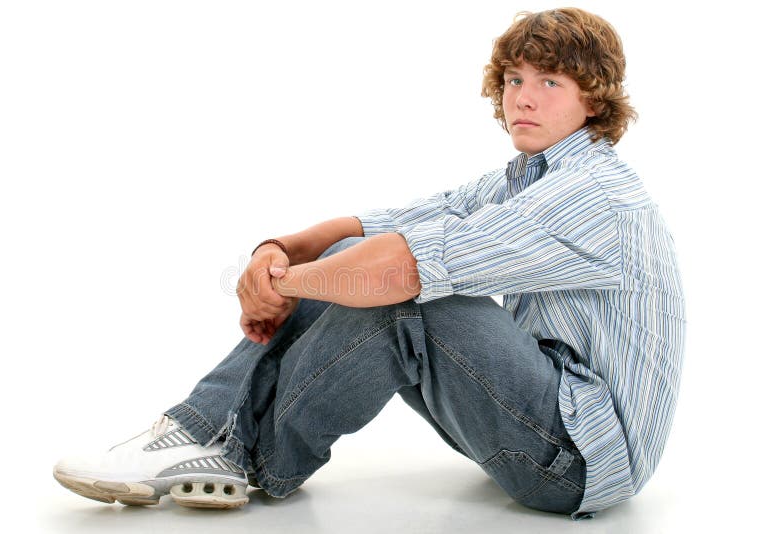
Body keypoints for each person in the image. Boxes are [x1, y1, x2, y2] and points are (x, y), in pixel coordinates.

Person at [53, 7, 686, 520]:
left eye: (551, 82)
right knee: (348, 260)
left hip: (580, 461)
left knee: (402, 297)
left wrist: (283, 287)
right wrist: (273, 252)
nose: (525, 97)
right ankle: (198, 433)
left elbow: (402, 269)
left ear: (594, 101)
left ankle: (235, 454)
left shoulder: (595, 194)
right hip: (535, 420)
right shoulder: (517, 180)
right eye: (515, 79)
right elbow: (374, 229)